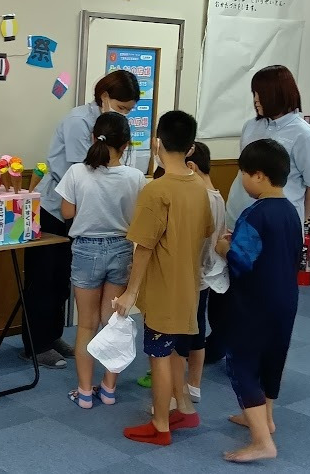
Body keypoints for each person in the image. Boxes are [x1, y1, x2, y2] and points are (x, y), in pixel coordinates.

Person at [206, 65, 310, 364]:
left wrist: (294, 220)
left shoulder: (304, 136)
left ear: (275, 94)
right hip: (237, 218)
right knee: (224, 286)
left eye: (259, 93)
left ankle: (253, 354)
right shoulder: (251, 126)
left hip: (273, 229)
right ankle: (219, 341)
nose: (255, 99)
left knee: (259, 292)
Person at [22, 70, 141, 369]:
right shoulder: (78, 121)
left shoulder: (112, 126)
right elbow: (80, 173)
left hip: (82, 214)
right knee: (44, 279)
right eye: (121, 107)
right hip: (56, 209)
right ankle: (36, 344)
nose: (124, 114)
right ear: (104, 97)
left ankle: (53, 336)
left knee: (64, 280)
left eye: (128, 110)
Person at [113, 111, 214, 446]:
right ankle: (183, 407)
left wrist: (130, 293)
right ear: (189, 148)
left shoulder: (156, 190)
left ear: (157, 143)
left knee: (157, 353)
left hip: (162, 289)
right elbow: (205, 233)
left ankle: (160, 424)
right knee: (171, 351)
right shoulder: (199, 186)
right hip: (188, 285)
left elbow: (143, 247)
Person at [215, 139, 303, 463]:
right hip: (286, 299)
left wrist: (223, 247)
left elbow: (241, 262)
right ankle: (265, 417)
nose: (242, 180)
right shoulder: (292, 211)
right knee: (271, 360)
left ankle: (261, 441)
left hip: (255, 303)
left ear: (261, 176)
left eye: (244, 174)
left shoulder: (255, 214)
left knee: (242, 364)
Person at [55, 112, 147, 408]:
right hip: (121, 249)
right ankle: (108, 388)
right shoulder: (135, 178)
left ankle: (84, 392)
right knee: (113, 322)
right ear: (127, 144)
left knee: (86, 325)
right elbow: (138, 219)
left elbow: (67, 213)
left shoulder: (77, 173)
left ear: (93, 138)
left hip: (85, 250)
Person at [135, 142, 228, 405]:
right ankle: (192, 387)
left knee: (171, 345)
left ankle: (172, 401)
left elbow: (156, 242)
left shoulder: (195, 194)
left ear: (191, 166)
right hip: (205, 275)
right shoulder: (215, 195)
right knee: (196, 333)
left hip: (186, 277)